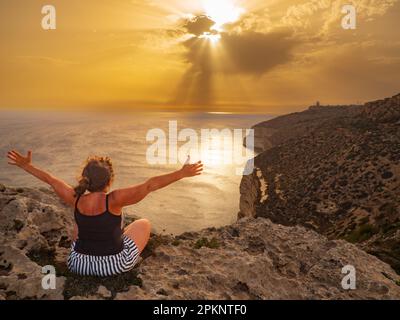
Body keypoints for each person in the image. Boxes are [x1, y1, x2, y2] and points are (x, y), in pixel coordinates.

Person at [7, 150, 203, 277]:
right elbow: (150, 185)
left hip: (78, 264)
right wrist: (181, 173)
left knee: (78, 226)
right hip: (113, 265)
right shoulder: (115, 199)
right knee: (143, 223)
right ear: (109, 181)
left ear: (85, 179)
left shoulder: (75, 198)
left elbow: (50, 179)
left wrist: (26, 166)